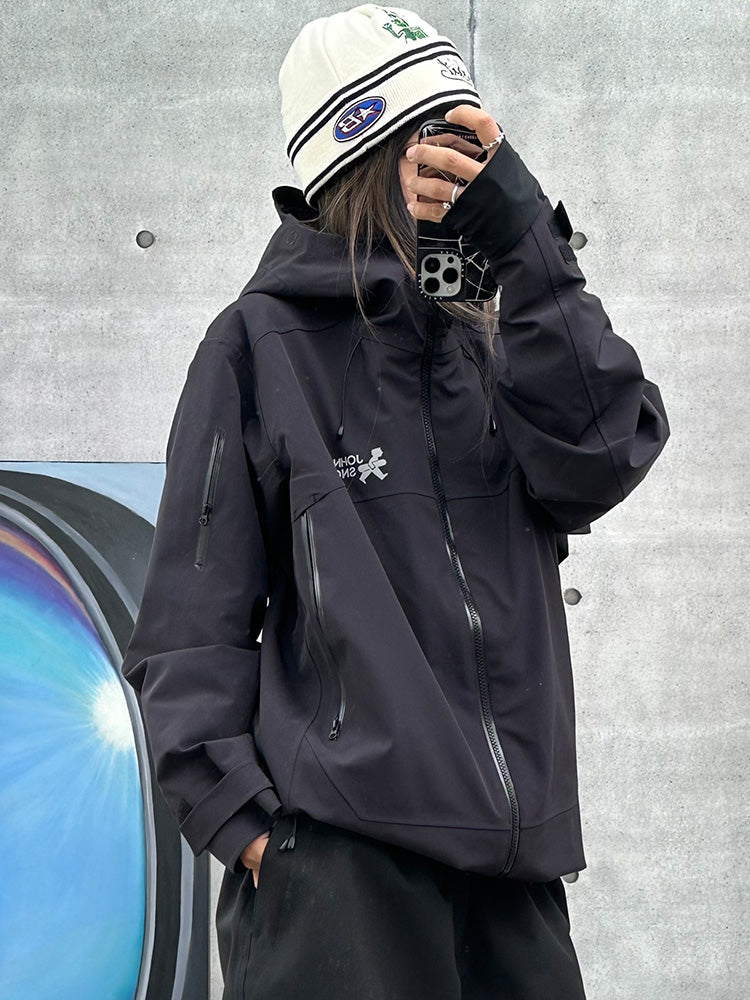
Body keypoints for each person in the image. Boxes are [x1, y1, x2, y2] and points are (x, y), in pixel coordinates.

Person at [121, 4, 670, 998]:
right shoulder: (259, 345)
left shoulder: (502, 336)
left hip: (516, 882)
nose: (460, 168)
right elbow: (189, 626)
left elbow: (603, 455)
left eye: (475, 145)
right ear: (361, 155)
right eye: (432, 139)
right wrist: (252, 833)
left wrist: (529, 245)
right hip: (340, 879)